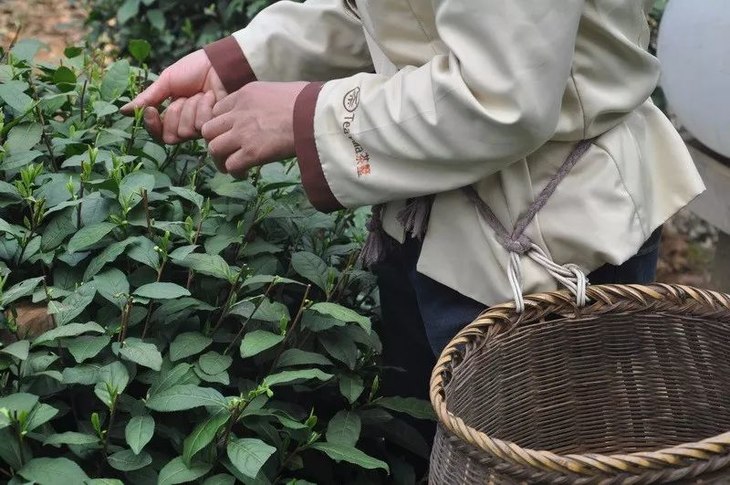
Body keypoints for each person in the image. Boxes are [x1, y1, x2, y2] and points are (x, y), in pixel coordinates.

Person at [122, 0, 704, 447]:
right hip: (424, 226)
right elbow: (398, 15)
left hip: (544, 248)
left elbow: (500, 93)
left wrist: (306, 115)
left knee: (544, 457)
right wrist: (239, 64)